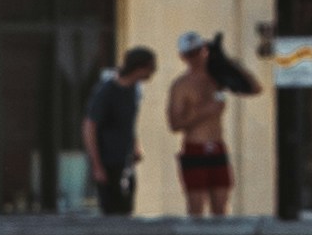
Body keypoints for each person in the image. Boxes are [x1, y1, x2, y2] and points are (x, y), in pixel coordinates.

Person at [167, 31, 256, 215]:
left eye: (199, 51)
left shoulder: (217, 77)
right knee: (196, 207)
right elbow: (174, 124)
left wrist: (229, 62)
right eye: (191, 54)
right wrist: (203, 113)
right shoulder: (181, 85)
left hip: (216, 146)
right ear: (183, 57)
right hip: (195, 148)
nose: (196, 57)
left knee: (221, 207)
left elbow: (254, 88)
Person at [85, 41, 158, 216]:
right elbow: (89, 126)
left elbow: (128, 122)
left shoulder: (134, 90)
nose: (152, 73)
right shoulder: (107, 91)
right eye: (150, 68)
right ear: (139, 67)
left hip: (125, 160)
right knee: (111, 211)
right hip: (108, 160)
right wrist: (97, 165)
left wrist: (135, 145)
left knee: (126, 208)